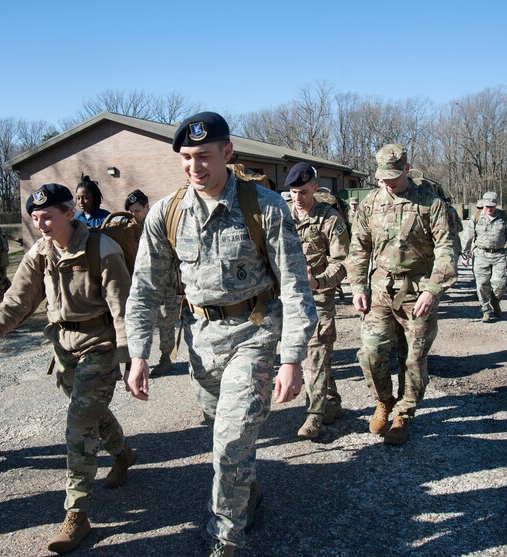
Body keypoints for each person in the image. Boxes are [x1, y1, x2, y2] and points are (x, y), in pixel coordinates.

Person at [124, 112, 317, 556]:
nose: (195, 167)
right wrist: (139, 354)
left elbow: (294, 285)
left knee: (230, 441)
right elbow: (144, 289)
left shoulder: (264, 206)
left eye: (205, 156)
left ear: (227, 153)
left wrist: (292, 358)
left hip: (255, 334)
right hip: (201, 343)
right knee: (225, 434)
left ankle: (224, 539)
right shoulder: (166, 213)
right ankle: (246, 493)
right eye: (187, 158)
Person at [0, 183, 135, 554]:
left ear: (69, 214)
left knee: (79, 423)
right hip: (64, 348)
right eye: (35, 218)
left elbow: (123, 309)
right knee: (90, 412)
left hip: (100, 345)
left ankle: (76, 514)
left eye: (47, 217)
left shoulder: (103, 249)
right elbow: (16, 303)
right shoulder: (41, 252)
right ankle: (122, 453)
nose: (41, 224)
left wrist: (129, 360)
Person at [346, 144, 456, 446]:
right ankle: (383, 401)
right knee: (370, 354)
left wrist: (433, 289)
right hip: (380, 290)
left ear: (407, 169)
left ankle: (405, 414)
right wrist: (357, 287)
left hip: (417, 292)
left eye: (393, 177)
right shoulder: (371, 203)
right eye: (383, 177)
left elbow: (447, 250)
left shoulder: (430, 204)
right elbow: (359, 248)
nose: (388, 183)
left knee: (413, 358)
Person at [286, 163, 349, 439]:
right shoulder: (282, 216)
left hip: (319, 297)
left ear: (315, 187)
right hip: (288, 298)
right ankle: (331, 402)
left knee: (316, 353)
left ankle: (314, 415)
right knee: (312, 356)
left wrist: (319, 281)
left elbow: (342, 262)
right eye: (293, 192)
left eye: (303, 191)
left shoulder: (330, 219)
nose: (298, 198)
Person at [124, 188, 180, 375]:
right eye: (131, 211)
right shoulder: (130, 228)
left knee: (166, 319)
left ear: (147, 207)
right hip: (142, 282)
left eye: (137, 211)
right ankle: (137, 359)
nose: (134, 215)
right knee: (142, 318)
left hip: (165, 282)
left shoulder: (158, 222)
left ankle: (166, 358)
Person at [462, 192, 507, 322]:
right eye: (486, 206)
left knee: (500, 284)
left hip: (499, 255)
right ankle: (486, 310)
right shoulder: (476, 217)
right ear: (483, 205)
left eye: (492, 206)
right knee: (482, 284)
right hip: (481, 255)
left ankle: (495, 301)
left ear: (496, 205)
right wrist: (465, 255)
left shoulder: (504, 217)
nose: (489, 209)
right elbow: (468, 237)